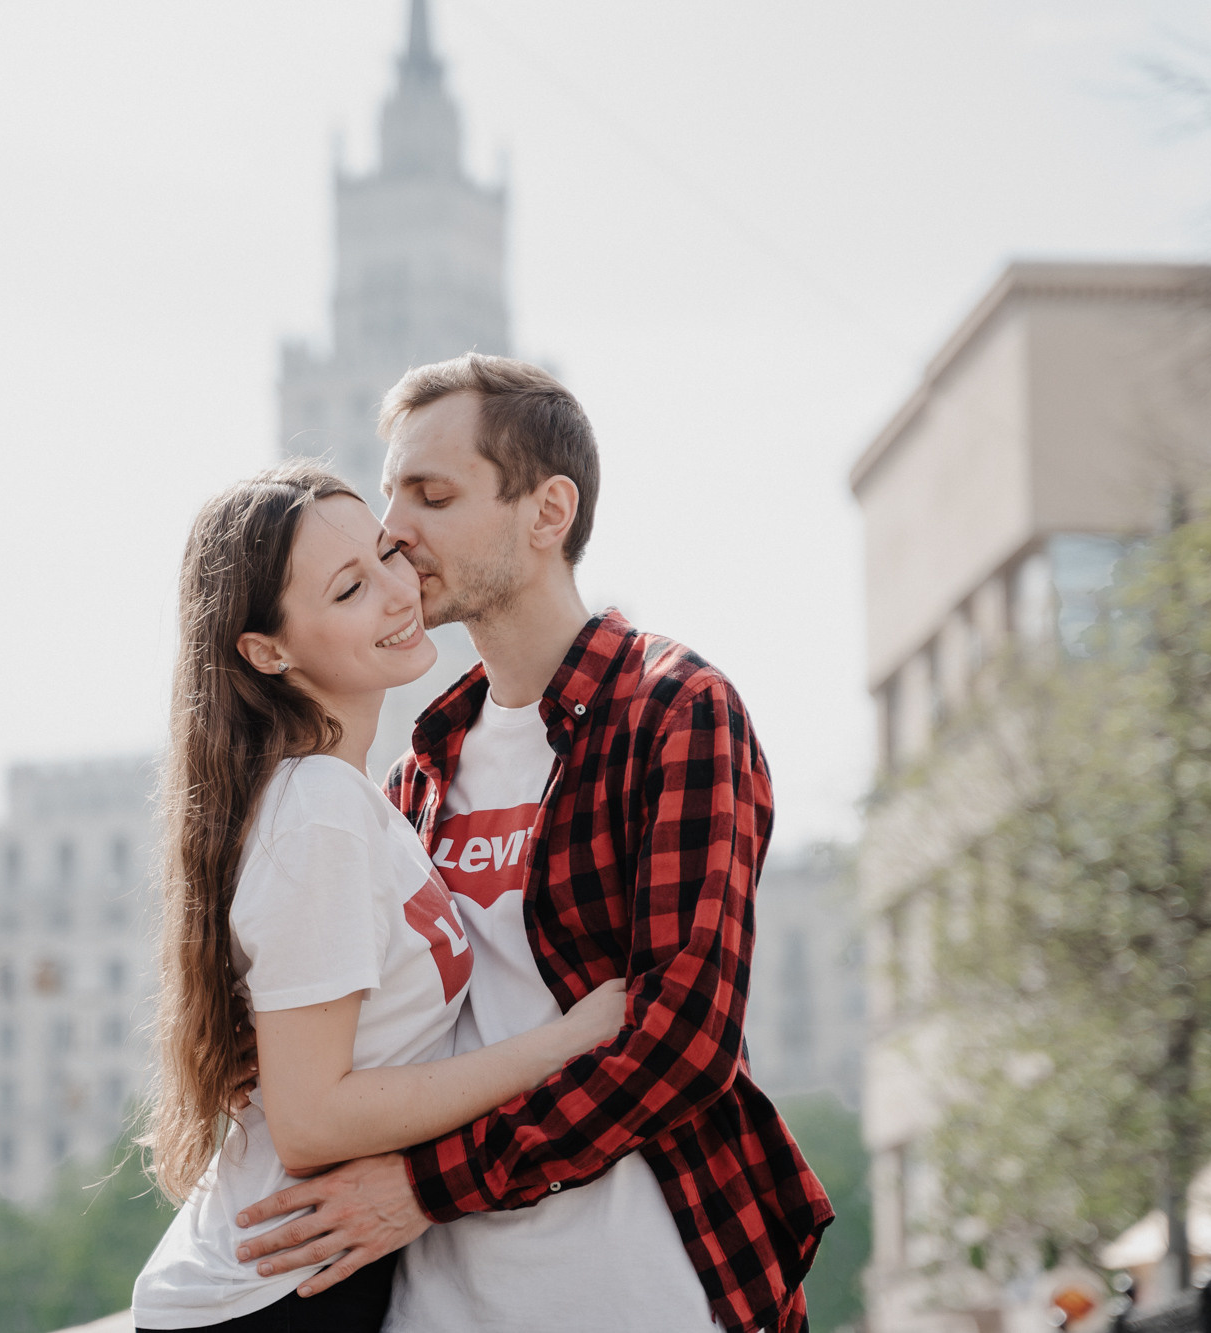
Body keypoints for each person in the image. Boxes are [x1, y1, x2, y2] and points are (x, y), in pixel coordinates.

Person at [231, 355, 836, 1333]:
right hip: (431, 1300)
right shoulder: (417, 768)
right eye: (389, 495)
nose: (391, 531)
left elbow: (681, 1042)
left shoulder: (674, 712)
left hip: (636, 1291)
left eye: (430, 494)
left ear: (546, 511)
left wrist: (425, 1185)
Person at [131, 462, 629, 1333]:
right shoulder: (317, 811)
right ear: (266, 651)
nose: (401, 592)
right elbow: (312, 1121)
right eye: (354, 587)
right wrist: (565, 1041)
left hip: (310, 1276)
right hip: (269, 1295)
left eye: (391, 555)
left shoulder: (360, 798)